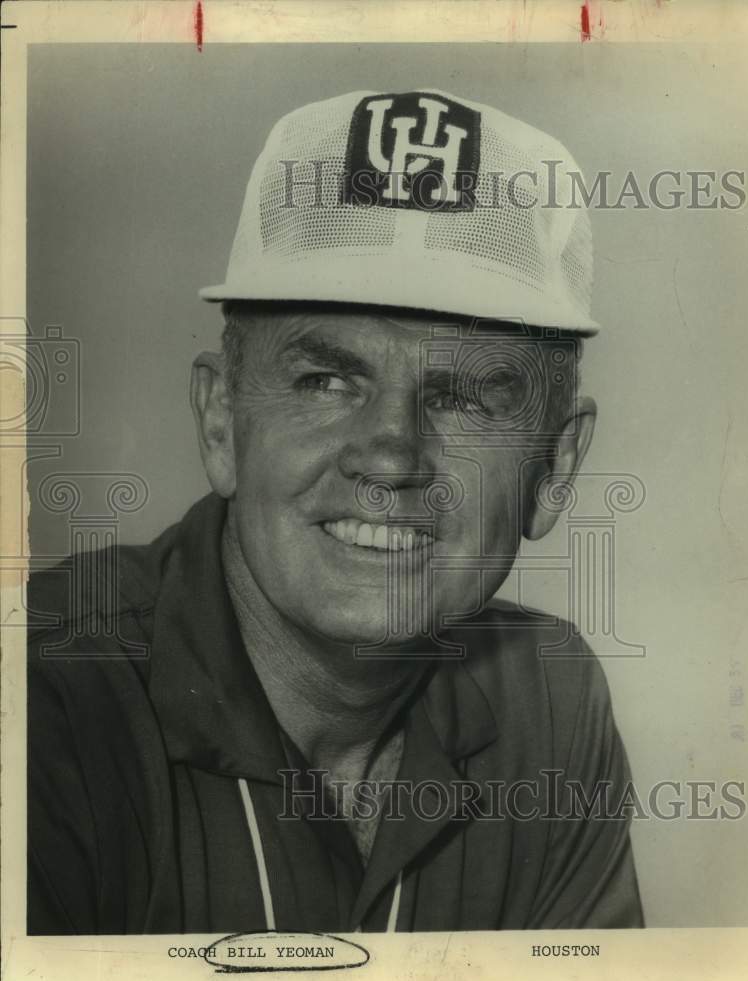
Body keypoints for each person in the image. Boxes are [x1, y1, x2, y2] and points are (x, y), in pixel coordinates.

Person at [27, 88, 644, 934]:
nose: (389, 457)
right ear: (220, 421)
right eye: (325, 381)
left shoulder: (547, 697)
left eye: (462, 397)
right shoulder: (43, 696)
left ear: (555, 466)